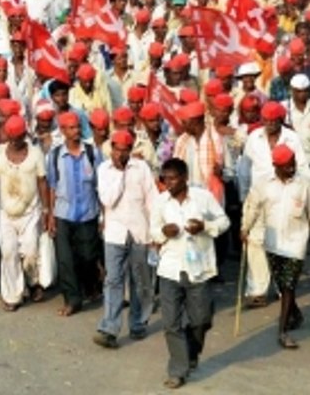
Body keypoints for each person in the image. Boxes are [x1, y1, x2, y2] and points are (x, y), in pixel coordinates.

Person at [151, 158, 230, 390]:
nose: (169, 184)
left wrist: (204, 226)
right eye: (165, 179)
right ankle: (178, 370)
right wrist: (163, 232)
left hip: (199, 268)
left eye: (173, 178)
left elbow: (224, 221)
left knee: (201, 319)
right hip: (170, 268)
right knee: (170, 323)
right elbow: (152, 229)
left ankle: (191, 352)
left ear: (185, 178)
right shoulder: (160, 202)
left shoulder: (202, 197)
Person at [241, 144, 310, 349]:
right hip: (272, 242)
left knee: (288, 286)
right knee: (281, 284)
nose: (291, 168)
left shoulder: (304, 184)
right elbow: (252, 207)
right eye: (286, 166)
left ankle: (282, 331)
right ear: (275, 166)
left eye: (293, 164)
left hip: (296, 242)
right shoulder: (263, 185)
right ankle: (295, 314)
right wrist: (245, 228)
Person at [94, 129, 157, 348]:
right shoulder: (104, 170)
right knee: (113, 279)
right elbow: (108, 199)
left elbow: (152, 199)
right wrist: (120, 173)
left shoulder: (142, 168)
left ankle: (138, 324)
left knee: (139, 280)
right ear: (111, 148)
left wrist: (155, 231)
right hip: (114, 232)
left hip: (140, 230)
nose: (120, 155)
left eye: (124, 151)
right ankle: (109, 328)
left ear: (130, 150)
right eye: (116, 150)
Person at [45, 109, 103, 317]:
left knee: (88, 256)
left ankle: (91, 285)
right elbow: (52, 186)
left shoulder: (92, 152)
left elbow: (100, 185)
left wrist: (103, 216)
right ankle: (72, 299)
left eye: (78, 127)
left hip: (88, 213)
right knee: (65, 259)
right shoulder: (55, 156)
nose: (76, 131)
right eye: (71, 128)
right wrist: (50, 215)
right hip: (63, 214)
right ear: (62, 130)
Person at [0, 113, 48, 311]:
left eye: (17, 138)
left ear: (24, 135)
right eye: (10, 137)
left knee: (30, 252)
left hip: (30, 212)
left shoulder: (36, 153)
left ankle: (32, 282)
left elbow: (42, 181)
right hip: (6, 212)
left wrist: (47, 209)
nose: (13, 142)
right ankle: (12, 295)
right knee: (8, 252)